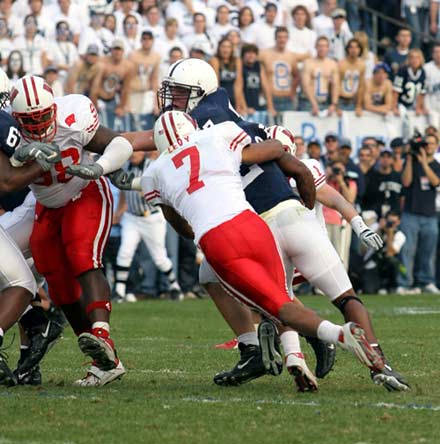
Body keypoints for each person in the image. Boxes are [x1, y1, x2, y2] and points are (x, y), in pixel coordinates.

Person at [151, 58, 408, 392]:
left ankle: (281, 352)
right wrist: (309, 214)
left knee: (275, 303)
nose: (175, 100)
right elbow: (301, 173)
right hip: (295, 214)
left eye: (182, 93)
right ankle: (380, 364)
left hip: (257, 225)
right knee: (347, 298)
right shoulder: (245, 131)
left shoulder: (211, 141)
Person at [10, 74, 134, 386]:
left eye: (42, 118)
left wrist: (101, 167)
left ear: (53, 108)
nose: (38, 127)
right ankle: (103, 358)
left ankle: (101, 332)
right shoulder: (9, 133)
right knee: (57, 282)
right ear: (16, 119)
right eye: (29, 121)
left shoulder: (73, 115)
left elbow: (117, 142)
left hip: (84, 192)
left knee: (81, 256)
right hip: (47, 206)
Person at [114, 150, 183, 303]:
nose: (132, 155)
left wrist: (150, 193)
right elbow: (123, 191)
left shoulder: (152, 166)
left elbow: (165, 186)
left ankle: (174, 286)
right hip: (131, 217)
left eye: (135, 151)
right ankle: (119, 291)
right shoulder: (125, 166)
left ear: (142, 152)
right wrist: (119, 212)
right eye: (130, 152)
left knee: (159, 257)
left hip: (151, 217)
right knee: (125, 252)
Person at [397, 133, 440, 294]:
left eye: (431, 144)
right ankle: (404, 282)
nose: (428, 146)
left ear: (436, 146)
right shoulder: (411, 163)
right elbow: (406, 182)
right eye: (425, 144)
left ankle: (426, 281)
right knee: (407, 250)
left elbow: (436, 182)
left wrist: (424, 163)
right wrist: (409, 158)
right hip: (410, 213)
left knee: (428, 251)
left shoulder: (436, 165)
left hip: (429, 215)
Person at [89, 39, 135, 131]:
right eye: (115, 49)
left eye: (119, 49)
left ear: (123, 51)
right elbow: (94, 86)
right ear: (111, 50)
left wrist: (121, 106)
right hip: (99, 99)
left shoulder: (128, 66)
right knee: (100, 128)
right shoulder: (102, 64)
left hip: (113, 99)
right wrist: (94, 104)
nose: (117, 52)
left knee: (115, 128)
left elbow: (126, 88)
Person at [260, 26, 299, 114]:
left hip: (287, 99)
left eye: (284, 37)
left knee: (287, 127)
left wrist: (292, 91)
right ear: (275, 38)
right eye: (279, 37)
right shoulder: (265, 54)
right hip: (271, 98)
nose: (282, 40)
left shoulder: (291, 56)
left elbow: (296, 76)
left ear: (288, 39)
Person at [128, 30, 160, 131]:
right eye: (144, 39)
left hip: (147, 94)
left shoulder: (156, 57)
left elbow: (154, 80)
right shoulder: (133, 55)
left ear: (152, 41)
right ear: (141, 40)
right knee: (134, 126)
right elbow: (127, 79)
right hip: (133, 93)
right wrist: (126, 102)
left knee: (147, 127)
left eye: (149, 39)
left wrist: (156, 103)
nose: (146, 41)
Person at [300, 36, 339, 115]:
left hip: (325, 103)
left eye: (324, 46)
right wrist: (313, 104)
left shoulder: (332, 64)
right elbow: (306, 85)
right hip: (308, 103)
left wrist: (334, 104)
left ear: (328, 48)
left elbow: (336, 85)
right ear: (315, 47)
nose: (322, 49)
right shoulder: (308, 63)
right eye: (320, 46)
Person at [241, 43, 275, 124]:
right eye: (248, 53)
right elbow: (239, 89)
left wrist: (270, 106)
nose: (251, 55)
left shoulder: (258, 66)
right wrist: (244, 107)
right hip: (244, 105)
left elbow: (265, 86)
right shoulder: (240, 66)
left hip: (256, 104)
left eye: (253, 53)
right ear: (243, 55)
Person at [210, 37, 245, 112]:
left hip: (233, 98)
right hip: (219, 99)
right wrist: (219, 104)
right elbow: (216, 84)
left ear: (232, 49)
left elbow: (238, 84)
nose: (225, 50)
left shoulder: (237, 61)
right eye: (223, 47)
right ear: (219, 48)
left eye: (228, 47)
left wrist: (238, 105)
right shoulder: (215, 60)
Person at [393, 48, 427, 116]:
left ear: (421, 59)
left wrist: (418, 107)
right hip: (401, 103)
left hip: (413, 103)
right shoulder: (402, 71)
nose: (415, 60)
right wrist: (394, 107)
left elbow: (421, 93)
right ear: (408, 59)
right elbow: (395, 91)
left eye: (417, 57)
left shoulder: (422, 72)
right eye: (412, 57)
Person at [338, 37, 365, 116]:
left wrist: (359, 105)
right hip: (341, 100)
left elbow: (361, 86)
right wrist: (336, 105)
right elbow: (336, 85)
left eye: (356, 47)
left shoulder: (362, 65)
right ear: (348, 49)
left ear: (360, 50)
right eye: (351, 47)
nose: (354, 50)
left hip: (354, 101)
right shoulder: (341, 64)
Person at [424, 43, 440, 128]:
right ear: (432, 54)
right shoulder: (426, 68)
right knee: (434, 131)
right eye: (436, 52)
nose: (438, 54)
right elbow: (423, 90)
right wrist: (426, 106)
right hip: (432, 108)